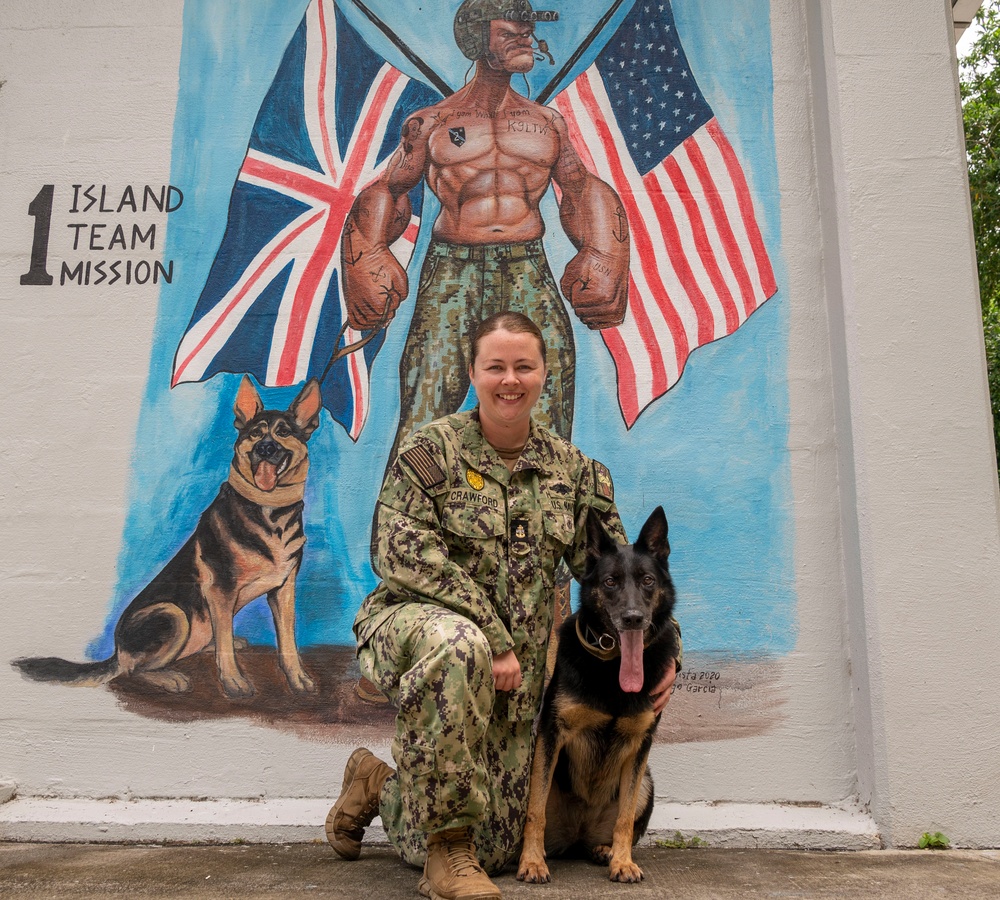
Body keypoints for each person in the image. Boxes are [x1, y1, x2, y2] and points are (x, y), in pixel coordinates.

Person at [325, 313, 679, 900]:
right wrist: (495, 635)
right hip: (418, 632)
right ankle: (446, 857)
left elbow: (624, 575)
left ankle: (379, 784)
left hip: (512, 679)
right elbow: (400, 555)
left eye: (523, 366)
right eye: (495, 366)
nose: (509, 379)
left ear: (544, 374)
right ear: (473, 373)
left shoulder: (577, 473)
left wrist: (668, 656)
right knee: (458, 644)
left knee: (506, 846)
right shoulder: (428, 453)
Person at [341, 0, 631, 463]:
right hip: (451, 277)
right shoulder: (431, 123)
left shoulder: (547, 123)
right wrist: (366, 255)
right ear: (478, 39)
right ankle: (405, 531)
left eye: (528, 28)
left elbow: (579, 190)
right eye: (511, 28)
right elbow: (391, 189)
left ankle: (544, 530)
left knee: (548, 418)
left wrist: (606, 252)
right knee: (425, 419)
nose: (526, 36)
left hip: (527, 272)